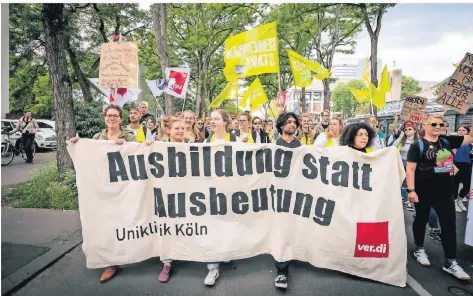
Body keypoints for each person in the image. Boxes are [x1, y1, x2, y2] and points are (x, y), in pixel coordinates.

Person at [69, 105, 136, 283]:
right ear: (105, 118)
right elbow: (91, 158)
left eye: (115, 115)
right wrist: (79, 146)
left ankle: (130, 252)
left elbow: (138, 157)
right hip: (104, 187)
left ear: (121, 119)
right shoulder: (97, 138)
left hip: (124, 187)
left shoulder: (129, 137)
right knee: (107, 223)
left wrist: (127, 147)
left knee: (126, 221)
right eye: (108, 115)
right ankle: (111, 262)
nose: (111, 118)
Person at [406, 115, 472, 280]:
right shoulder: (417, 145)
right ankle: (419, 249)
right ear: (424, 125)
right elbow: (411, 169)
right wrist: (411, 190)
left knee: (449, 225)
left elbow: (471, 137)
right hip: (423, 191)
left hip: (445, 193)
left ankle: (450, 262)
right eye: (433, 123)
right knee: (421, 219)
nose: (438, 126)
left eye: (441, 124)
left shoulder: (448, 141)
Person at [203, 109, 240, 286]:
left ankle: (225, 252)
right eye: (211, 119)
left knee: (226, 224)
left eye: (216, 119)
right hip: (210, 192)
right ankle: (212, 267)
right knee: (212, 227)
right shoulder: (206, 141)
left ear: (225, 122)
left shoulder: (235, 140)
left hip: (230, 191)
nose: (212, 121)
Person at [273, 112, 301, 289]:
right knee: (281, 230)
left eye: (294, 122)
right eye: (288, 122)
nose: (292, 125)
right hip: (278, 194)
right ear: (281, 126)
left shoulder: (300, 145)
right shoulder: (274, 145)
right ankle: (282, 271)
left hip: (296, 193)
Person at [157, 116, 187, 282]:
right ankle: (167, 263)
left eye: (183, 128)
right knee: (167, 226)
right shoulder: (159, 147)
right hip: (166, 193)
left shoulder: (189, 147)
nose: (181, 131)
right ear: (168, 130)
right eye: (177, 128)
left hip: (186, 193)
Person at [388, 117, 419, 212]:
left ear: (414, 130)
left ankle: (410, 198)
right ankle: (407, 201)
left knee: (413, 183)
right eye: (405, 129)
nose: (407, 130)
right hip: (403, 163)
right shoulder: (402, 139)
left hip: (414, 164)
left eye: (409, 129)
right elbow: (393, 147)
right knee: (404, 183)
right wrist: (401, 136)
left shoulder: (419, 140)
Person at [452, 125, 471, 212]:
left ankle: (460, 199)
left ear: (467, 132)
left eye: (463, 130)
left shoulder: (470, 142)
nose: (460, 131)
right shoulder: (453, 141)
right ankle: (455, 201)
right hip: (455, 165)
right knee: (455, 185)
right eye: (459, 130)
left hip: (466, 165)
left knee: (467, 186)